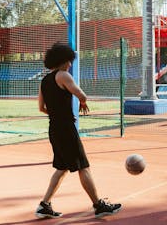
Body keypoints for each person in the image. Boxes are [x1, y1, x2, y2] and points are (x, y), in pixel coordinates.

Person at [35, 42, 122, 219]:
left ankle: (44, 205)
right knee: (83, 166)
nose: (70, 64)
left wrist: (56, 113)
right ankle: (99, 205)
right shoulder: (63, 76)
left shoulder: (44, 80)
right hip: (66, 129)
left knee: (62, 168)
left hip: (54, 128)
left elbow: (41, 108)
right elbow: (82, 94)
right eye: (69, 60)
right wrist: (82, 102)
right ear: (62, 60)